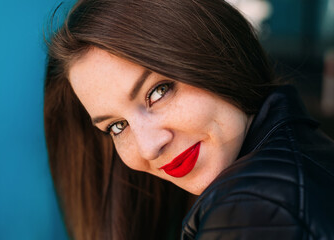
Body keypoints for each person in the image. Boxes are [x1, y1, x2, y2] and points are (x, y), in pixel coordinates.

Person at [44, 0, 334, 239]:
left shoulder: (249, 207)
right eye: (117, 126)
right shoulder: (303, 157)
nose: (148, 147)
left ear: (217, 55)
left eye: (158, 92)